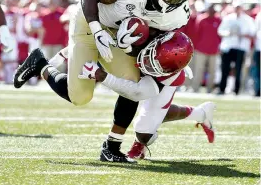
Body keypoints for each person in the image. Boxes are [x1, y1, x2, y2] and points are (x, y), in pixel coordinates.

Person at [13, 0, 196, 163]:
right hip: (90, 22)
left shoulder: (177, 16)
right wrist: (97, 30)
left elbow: (153, 42)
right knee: (80, 96)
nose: (168, 0)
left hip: (120, 35)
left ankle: (112, 147)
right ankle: (41, 65)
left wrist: (165, 61)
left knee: (132, 85)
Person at [79, 31, 215, 160]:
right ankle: (198, 113)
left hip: (159, 82)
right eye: (151, 59)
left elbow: (135, 92)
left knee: (144, 133)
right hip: (146, 48)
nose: (148, 65)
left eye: (154, 64)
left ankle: (200, 113)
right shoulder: (151, 29)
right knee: (157, 113)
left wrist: (102, 76)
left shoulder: (168, 75)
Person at [217, 0, 256, 95]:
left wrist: (242, 35)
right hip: (228, 47)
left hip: (241, 48)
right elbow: (220, 31)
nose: (237, 9)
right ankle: (222, 89)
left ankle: (236, 90)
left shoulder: (248, 20)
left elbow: (253, 34)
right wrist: (229, 33)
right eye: (236, 7)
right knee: (225, 68)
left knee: (238, 70)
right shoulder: (228, 18)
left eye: (239, 7)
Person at [191, 4, 222, 93]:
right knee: (198, 69)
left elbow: (220, 36)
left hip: (214, 50)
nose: (212, 12)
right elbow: (196, 34)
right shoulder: (201, 19)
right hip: (201, 49)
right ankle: (195, 88)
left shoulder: (218, 20)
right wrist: (195, 47)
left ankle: (209, 89)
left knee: (212, 70)